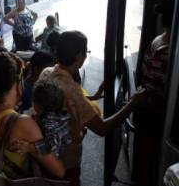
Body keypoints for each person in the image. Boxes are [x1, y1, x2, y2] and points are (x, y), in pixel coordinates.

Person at [36, 31, 146, 186]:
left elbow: (63, 103)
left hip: (45, 156)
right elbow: (102, 128)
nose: (86, 56)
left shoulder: (46, 73)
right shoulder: (72, 90)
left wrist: (94, 96)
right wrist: (132, 103)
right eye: (85, 52)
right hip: (65, 164)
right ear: (79, 56)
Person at [133, 0, 175, 186]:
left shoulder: (158, 40)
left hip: (146, 110)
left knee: (145, 158)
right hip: (157, 115)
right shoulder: (170, 49)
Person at [14, 79, 71, 158]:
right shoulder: (55, 114)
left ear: (35, 105)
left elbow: (52, 144)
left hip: (58, 157)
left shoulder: (48, 122)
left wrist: (29, 147)